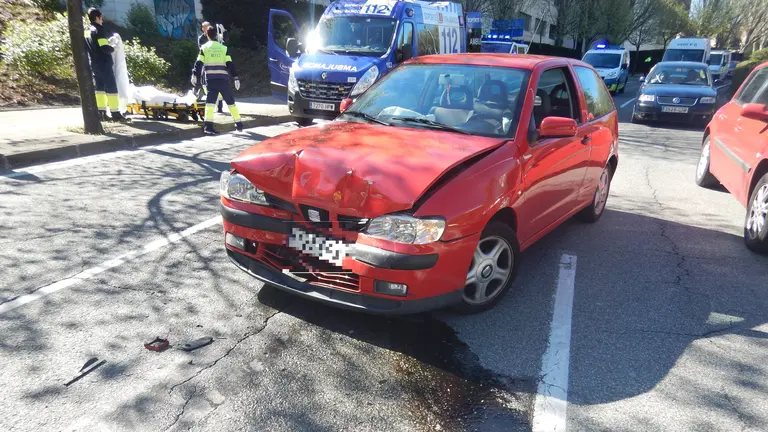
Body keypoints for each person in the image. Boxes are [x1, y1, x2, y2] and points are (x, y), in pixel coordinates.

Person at [191, 27, 243, 135]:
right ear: (216, 35)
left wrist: (194, 75)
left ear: (207, 35)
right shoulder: (223, 48)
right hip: (223, 79)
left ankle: (208, 127)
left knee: (210, 104)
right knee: (230, 102)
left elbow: (199, 63)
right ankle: (239, 124)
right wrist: (235, 77)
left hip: (211, 80)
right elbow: (230, 64)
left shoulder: (204, 48)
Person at [84, 8, 125, 122]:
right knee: (111, 87)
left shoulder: (87, 31)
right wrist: (113, 46)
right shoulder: (99, 30)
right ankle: (115, 113)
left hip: (94, 63)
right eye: (101, 18)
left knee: (99, 88)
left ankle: (101, 113)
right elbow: (104, 48)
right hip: (104, 63)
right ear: (97, 18)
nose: (102, 20)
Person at [197, 21, 225, 113]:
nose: (208, 28)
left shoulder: (216, 37)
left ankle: (219, 105)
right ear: (203, 29)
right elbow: (203, 50)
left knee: (218, 84)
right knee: (205, 85)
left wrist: (224, 32)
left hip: (217, 64)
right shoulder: (201, 39)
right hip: (207, 64)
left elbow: (224, 42)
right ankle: (212, 104)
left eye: (209, 26)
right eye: (206, 27)